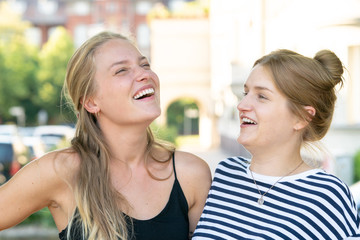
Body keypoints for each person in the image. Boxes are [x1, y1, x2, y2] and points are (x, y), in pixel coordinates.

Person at [0, 31, 212, 240]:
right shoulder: (60, 171)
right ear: (91, 102)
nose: (144, 74)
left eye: (145, 64)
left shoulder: (191, 175)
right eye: (121, 70)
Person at [193, 49, 360, 239]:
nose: (242, 105)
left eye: (262, 96)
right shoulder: (226, 174)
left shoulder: (327, 196)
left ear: (302, 117)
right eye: (245, 93)